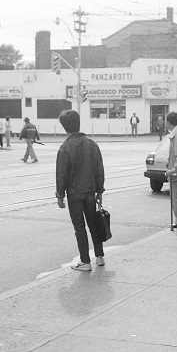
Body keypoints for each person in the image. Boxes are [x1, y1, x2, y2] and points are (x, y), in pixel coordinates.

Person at [56, 110, 105, 271]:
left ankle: (85, 261)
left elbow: (61, 174)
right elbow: (99, 169)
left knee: (79, 227)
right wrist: (99, 191)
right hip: (90, 192)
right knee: (93, 224)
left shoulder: (65, 147)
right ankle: (99, 257)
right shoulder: (92, 144)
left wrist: (60, 195)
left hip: (74, 193)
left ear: (64, 127)